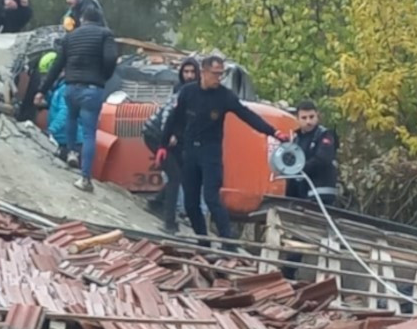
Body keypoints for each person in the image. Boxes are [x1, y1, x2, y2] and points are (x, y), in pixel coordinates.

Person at [160, 55, 291, 247]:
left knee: (211, 198)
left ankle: (227, 241)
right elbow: (174, 119)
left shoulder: (224, 96)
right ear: (203, 72)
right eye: (215, 74)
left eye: (221, 74)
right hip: (189, 151)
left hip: (210, 152)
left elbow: (247, 115)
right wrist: (164, 144)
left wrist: (274, 132)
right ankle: (202, 241)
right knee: (190, 203)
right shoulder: (188, 92)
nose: (218, 78)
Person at [37, 5, 117, 192]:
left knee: (71, 117)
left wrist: (42, 90)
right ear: (98, 19)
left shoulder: (70, 37)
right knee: (89, 133)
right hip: (92, 89)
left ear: (82, 20)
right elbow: (111, 59)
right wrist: (104, 76)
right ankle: (85, 178)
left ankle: (72, 151)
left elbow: (57, 66)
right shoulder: (106, 34)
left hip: (71, 87)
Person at [143, 57, 201, 234]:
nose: (189, 76)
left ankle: (156, 202)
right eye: (186, 72)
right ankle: (169, 223)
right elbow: (169, 114)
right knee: (175, 176)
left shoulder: (197, 93)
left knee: (180, 172)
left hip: (173, 139)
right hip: (157, 135)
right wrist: (169, 136)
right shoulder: (181, 92)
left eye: (192, 72)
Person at [285, 101, 339, 207]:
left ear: (317, 116)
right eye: (304, 118)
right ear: (297, 119)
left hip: (321, 193)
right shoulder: (296, 139)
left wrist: (299, 168)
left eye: (311, 117)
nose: (308, 121)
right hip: (301, 193)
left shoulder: (325, 135)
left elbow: (323, 159)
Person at [40, 51, 83, 162]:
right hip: (63, 139)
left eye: (48, 74)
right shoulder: (59, 88)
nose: (46, 78)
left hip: (71, 144)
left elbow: (65, 112)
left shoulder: (66, 89)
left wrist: (51, 130)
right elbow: (56, 106)